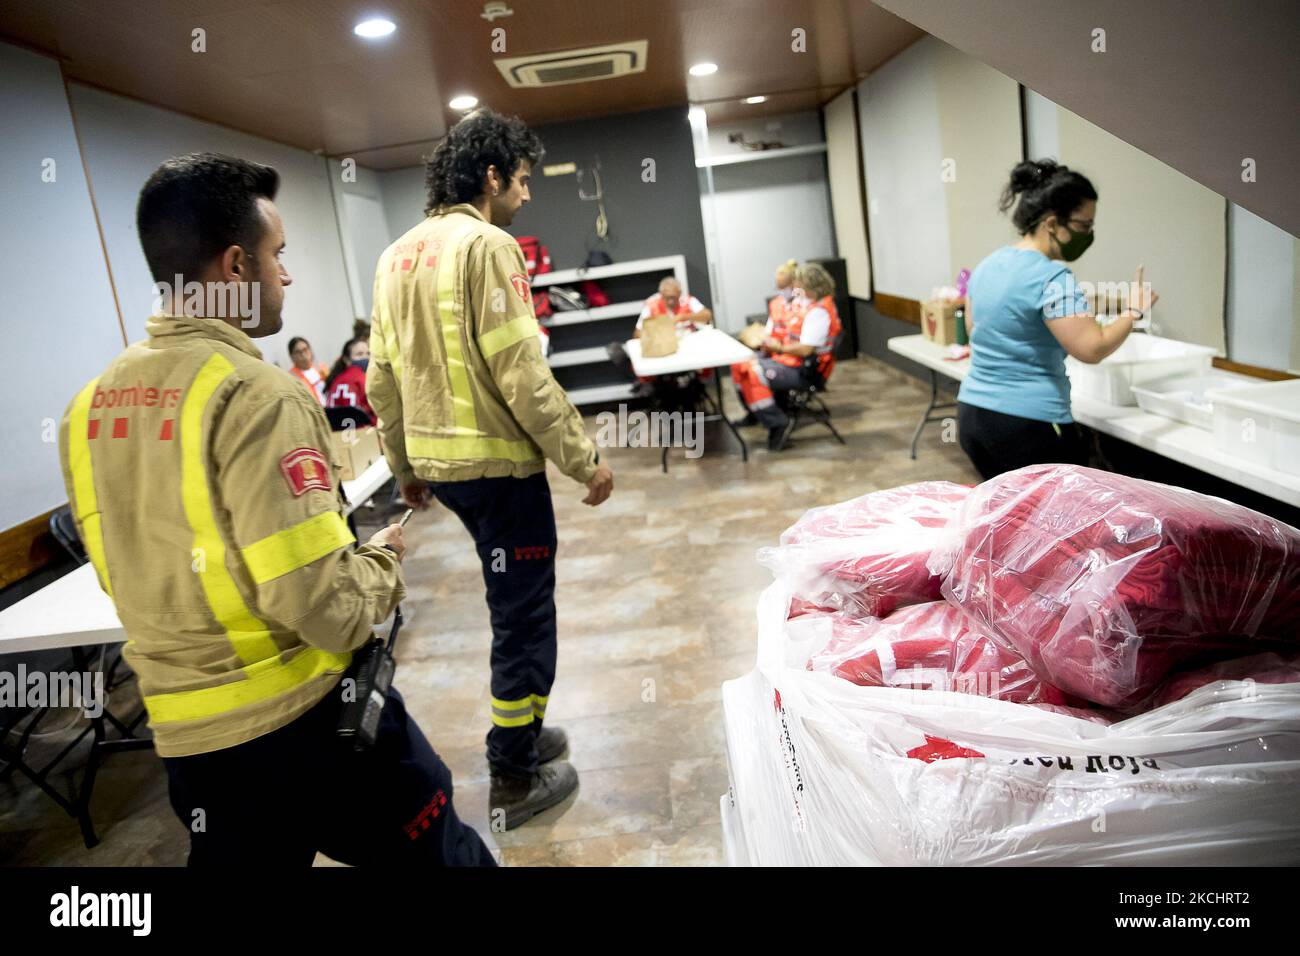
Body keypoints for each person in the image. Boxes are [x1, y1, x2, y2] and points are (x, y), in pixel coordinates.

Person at [58, 153, 493, 866]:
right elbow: (322, 603)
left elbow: (129, 576)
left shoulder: (86, 410)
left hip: (193, 750)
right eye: (276, 254)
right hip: (309, 725)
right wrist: (381, 562)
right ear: (234, 267)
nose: (285, 274)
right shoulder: (257, 395)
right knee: (443, 854)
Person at [366, 108, 614, 830]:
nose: (528, 195)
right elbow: (523, 378)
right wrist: (584, 459)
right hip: (501, 474)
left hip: (445, 472)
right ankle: (512, 770)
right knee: (524, 619)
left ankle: (525, 731)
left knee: (510, 608)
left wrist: (402, 462)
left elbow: (382, 377)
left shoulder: (395, 257)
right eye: (524, 179)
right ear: (492, 176)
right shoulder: (488, 246)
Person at [956, 159, 1158, 479]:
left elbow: (973, 329)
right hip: (1028, 426)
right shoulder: (1052, 277)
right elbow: (1092, 348)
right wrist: (1134, 311)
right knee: (1050, 525)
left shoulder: (988, 265)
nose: (1089, 235)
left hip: (973, 418)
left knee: (1009, 519)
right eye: (1084, 226)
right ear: (1052, 223)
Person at [730, 262, 842, 450]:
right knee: (739, 365)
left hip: (806, 370)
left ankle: (776, 422)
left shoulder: (819, 311)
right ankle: (759, 414)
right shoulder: (803, 305)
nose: (794, 290)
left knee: (753, 372)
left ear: (811, 287)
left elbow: (806, 350)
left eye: (798, 286)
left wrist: (779, 347)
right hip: (790, 361)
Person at [632, 277, 712, 337]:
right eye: (667, 298)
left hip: (689, 340)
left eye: (674, 297)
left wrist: (683, 317)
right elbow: (637, 333)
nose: (671, 301)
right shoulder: (651, 306)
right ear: (661, 294)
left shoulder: (688, 301)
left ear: (679, 293)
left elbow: (708, 315)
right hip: (663, 344)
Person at [325, 335, 375, 424]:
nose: (365, 357)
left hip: (338, 435)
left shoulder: (336, 381)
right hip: (364, 433)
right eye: (359, 354)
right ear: (347, 359)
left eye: (368, 353)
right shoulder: (362, 379)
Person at [287, 335, 329, 404]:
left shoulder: (321, 367)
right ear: (291, 356)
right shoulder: (291, 377)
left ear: (310, 350)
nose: (303, 354)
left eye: (305, 349)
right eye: (298, 352)